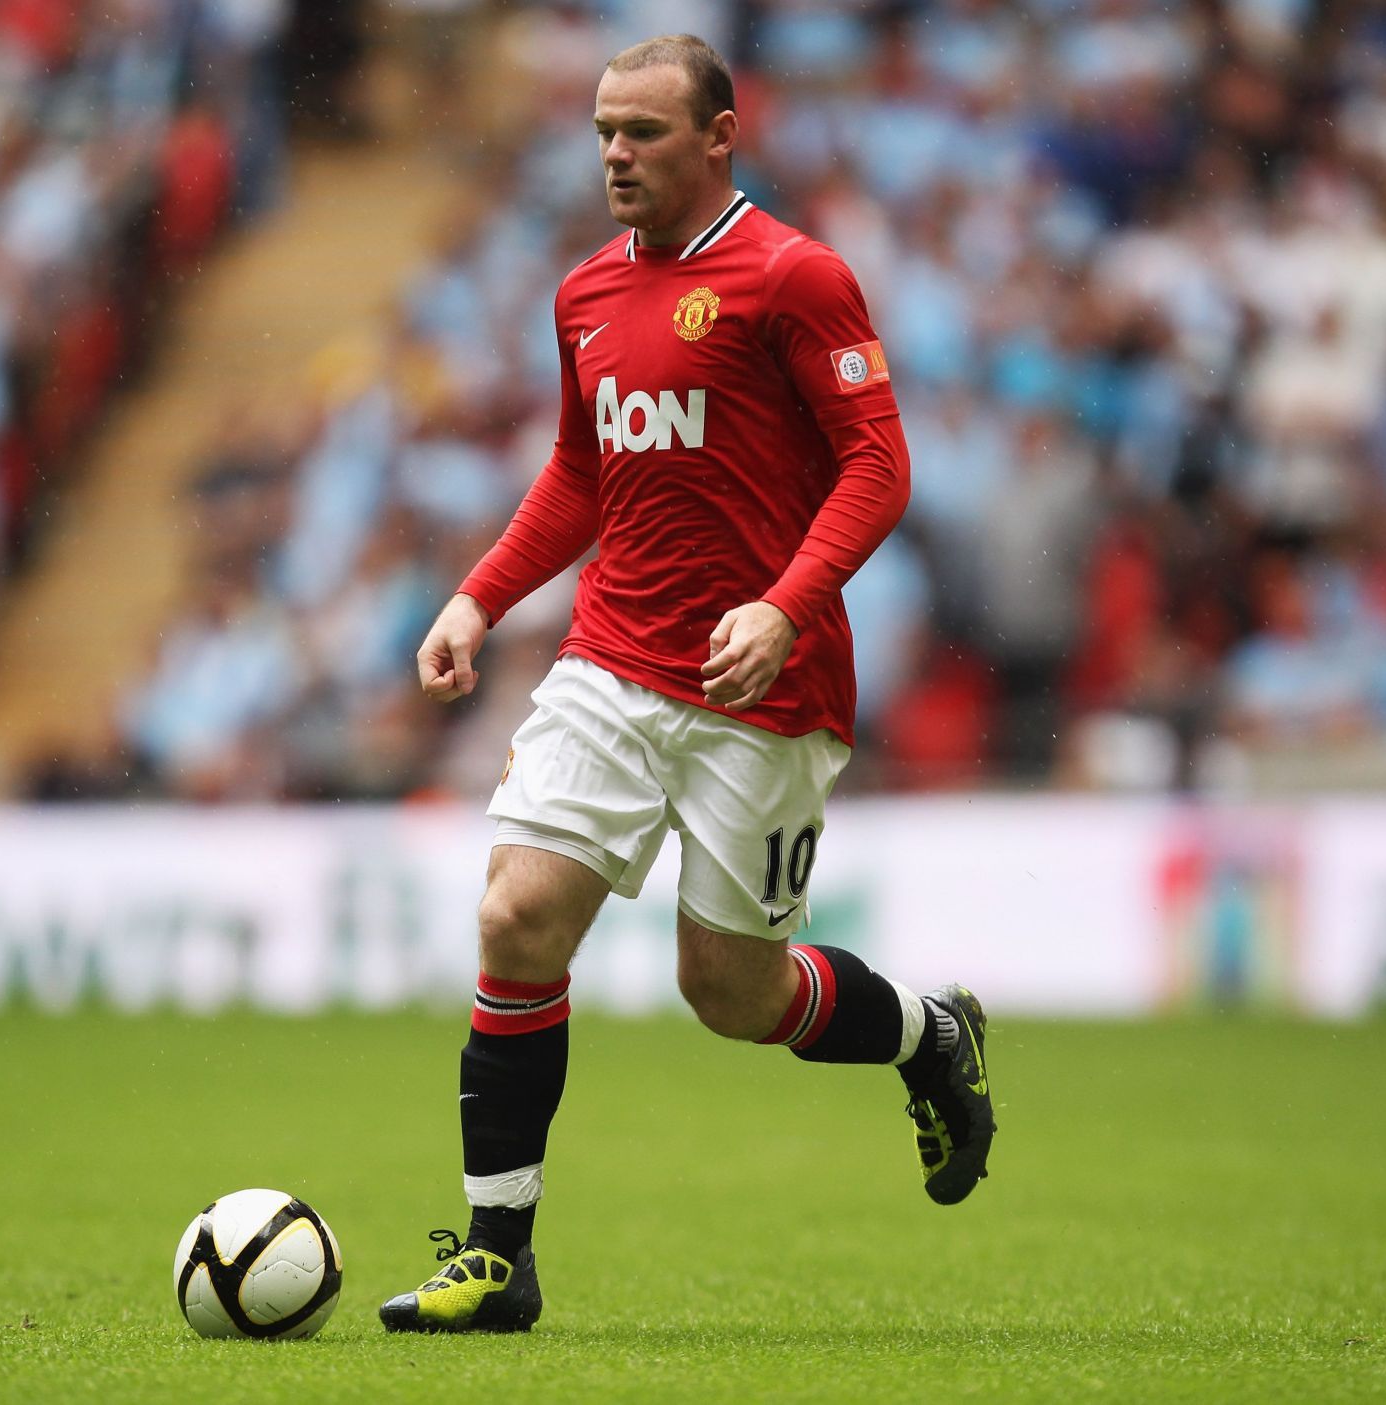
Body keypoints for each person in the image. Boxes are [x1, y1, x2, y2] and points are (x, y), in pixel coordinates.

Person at [381, 34, 995, 1335]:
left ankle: (927, 1036)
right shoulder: (586, 295)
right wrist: (480, 595)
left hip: (761, 681)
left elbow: (876, 468)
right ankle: (499, 1254)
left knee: (731, 993)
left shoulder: (796, 278)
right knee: (516, 919)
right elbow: (577, 476)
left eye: (645, 132)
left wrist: (785, 605)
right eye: (604, 130)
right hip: (612, 658)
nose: (615, 153)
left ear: (720, 136)